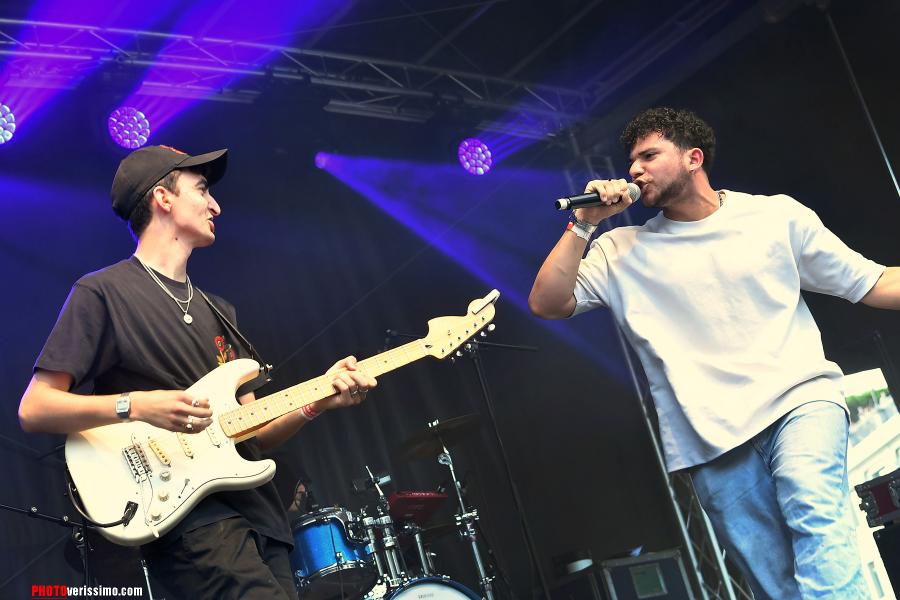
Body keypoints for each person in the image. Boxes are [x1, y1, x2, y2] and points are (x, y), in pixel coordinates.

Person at [529, 107, 899, 599]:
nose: (634, 170)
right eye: (631, 160)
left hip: (800, 402)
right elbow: (547, 303)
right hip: (708, 441)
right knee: (774, 585)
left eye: (649, 155)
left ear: (693, 158)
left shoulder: (775, 217)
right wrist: (584, 224)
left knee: (818, 521)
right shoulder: (620, 249)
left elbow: (872, 282)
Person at [18, 145, 377, 600]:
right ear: (162, 199)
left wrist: (318, 400)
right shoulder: (103, 292)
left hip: (263, 520)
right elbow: (35, 408)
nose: (216, 205)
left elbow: (255, 432)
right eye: (203, 189)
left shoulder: (220, 312)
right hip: (191, 521)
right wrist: (136, 405)